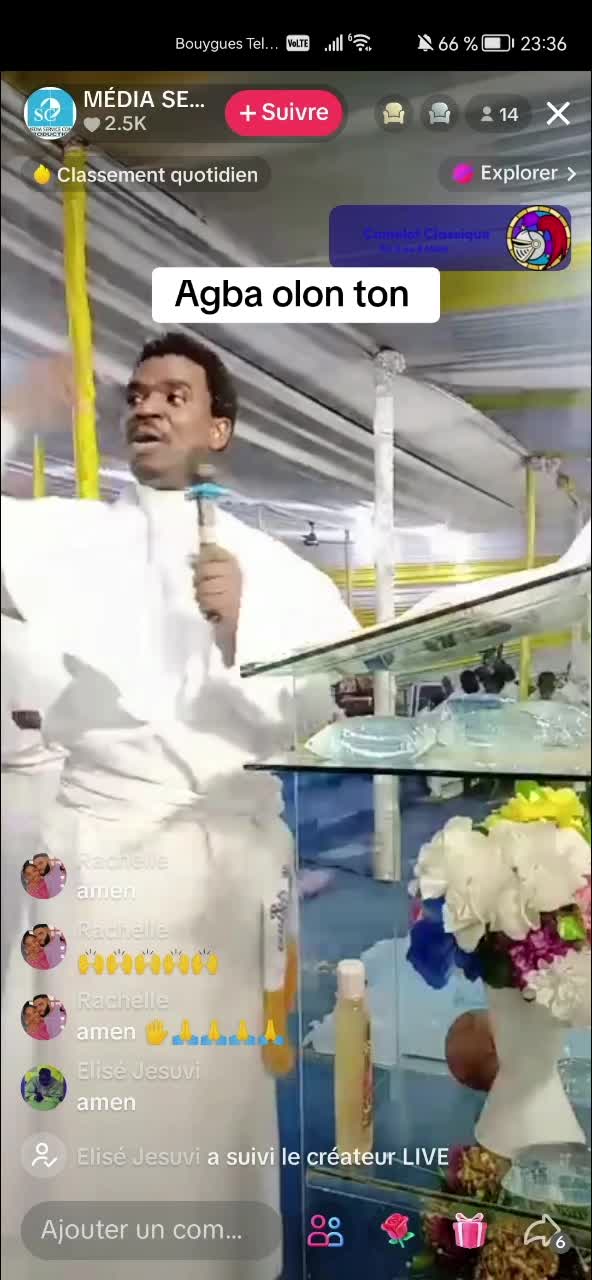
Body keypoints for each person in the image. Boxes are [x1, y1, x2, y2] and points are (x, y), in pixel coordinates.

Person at [1, 336, 359, 1280]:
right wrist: (16, 415)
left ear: (220, 428)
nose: (148, 408)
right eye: (138, 394)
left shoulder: (279, 573)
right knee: (91, 1093)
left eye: (174, 394)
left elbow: (340, 702)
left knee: (209, 1104)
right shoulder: (73, 536)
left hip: (220, 886)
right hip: (100, 868)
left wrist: (248, 627)